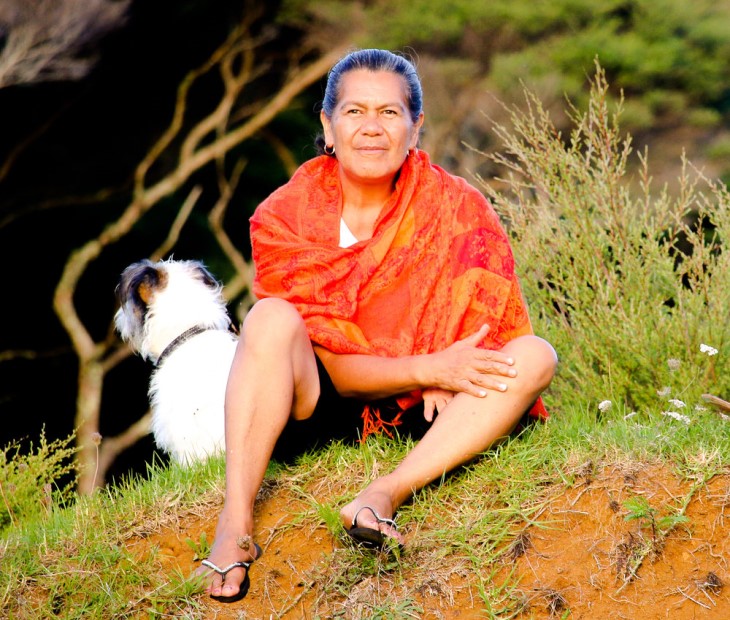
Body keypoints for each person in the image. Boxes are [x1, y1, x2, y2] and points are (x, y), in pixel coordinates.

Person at [197, 48, 558, 603]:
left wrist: (448, 367)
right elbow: (337, 370)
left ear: (415, 128)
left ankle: (383, 493)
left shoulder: (457, 206)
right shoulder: (282, 217)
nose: (372, 128)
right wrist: (433, 364)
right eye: (354, 112)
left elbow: (486, 322)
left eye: (390, 114)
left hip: (430, 413)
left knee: (536, 355)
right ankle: (235, 522)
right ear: (328, 126)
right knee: (268, 317)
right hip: (322, 405)